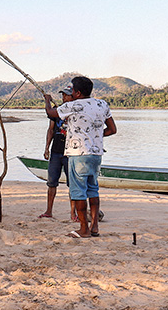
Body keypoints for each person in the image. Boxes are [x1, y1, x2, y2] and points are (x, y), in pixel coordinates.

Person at [45, 76, 116, 238]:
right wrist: (94, 136)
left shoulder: (72, 105)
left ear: (77, 92)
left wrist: (48, 100)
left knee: (78, 193)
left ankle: (84, 228)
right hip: (96, 154)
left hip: (78, 155)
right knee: (93, 189)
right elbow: (112, 130)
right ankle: (95, 226)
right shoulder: (102, 104)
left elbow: (50, 113)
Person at [38, 86, 75, 220]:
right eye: (63, 95)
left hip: (70, 152)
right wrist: (47, 147)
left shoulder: (75, 111)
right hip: (56, 151)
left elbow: (48, 111)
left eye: (67, 95)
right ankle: (49, 211)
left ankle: (73, 214)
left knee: (73, 185)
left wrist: (47, 101)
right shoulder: (57, 111)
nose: (64, 98)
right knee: (52, 182)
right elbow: (51, 130)